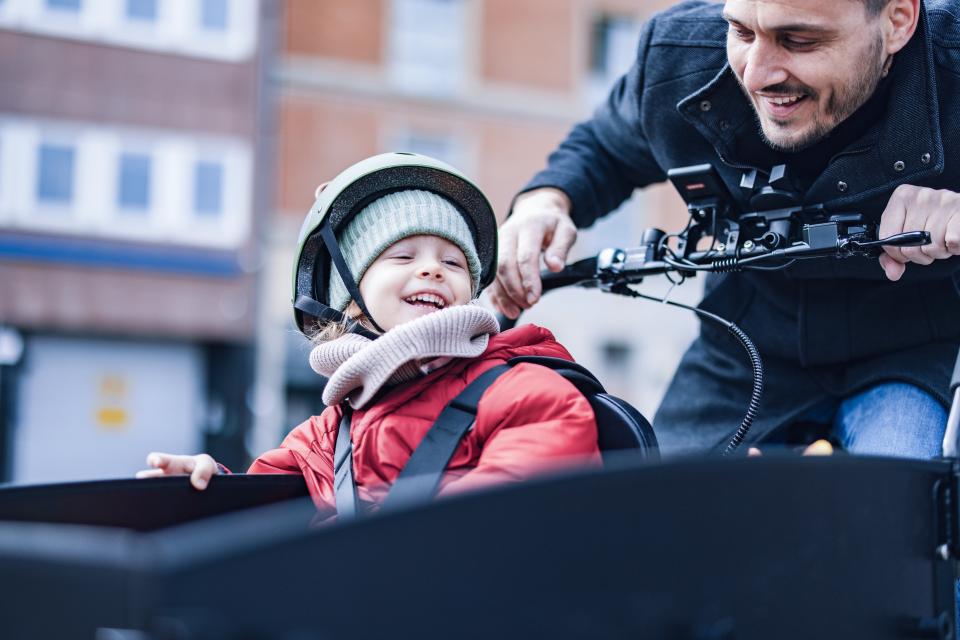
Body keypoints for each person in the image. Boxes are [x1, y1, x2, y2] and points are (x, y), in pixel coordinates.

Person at [490, 0, 960, 457]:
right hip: (745, 343)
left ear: (898, 20)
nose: (755, 74)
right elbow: (605, 147)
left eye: (798, 39)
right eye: (742, 32)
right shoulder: (677, 54)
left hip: (915, 344)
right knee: (664, 518)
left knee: (902, 513)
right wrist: (546, 202)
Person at [138, 153, 600, 516]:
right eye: (402, 256)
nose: (431, 269)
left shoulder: (530, 396)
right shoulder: (324, 435)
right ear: (350, 296)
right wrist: (211, 489)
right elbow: (261, 527)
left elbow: (499, 534)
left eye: (454, 262)